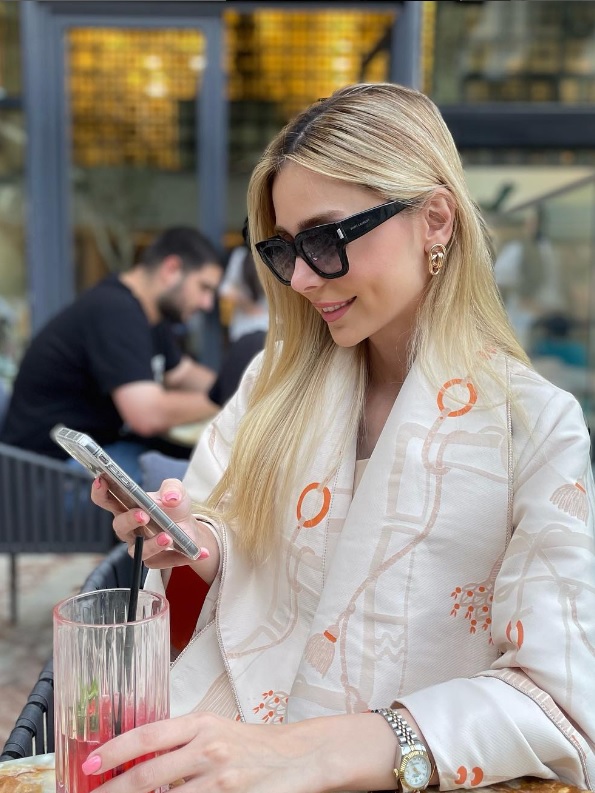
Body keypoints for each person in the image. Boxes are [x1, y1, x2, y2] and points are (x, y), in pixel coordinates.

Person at [89, 83, 595, 793]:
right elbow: (230, 539)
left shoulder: (532, 425)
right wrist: (194, 542)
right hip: (210, 739)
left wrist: (315, 752)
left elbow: (561, 703)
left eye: (326, 239)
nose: (300, 278)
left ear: (435, 220)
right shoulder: (273, 382)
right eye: (284, 248)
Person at [0, 226, 223, 482]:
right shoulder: (115, 311)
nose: (207, 303)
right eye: (204, 288)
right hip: (48, 474)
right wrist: (221, 399)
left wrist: (239, 387)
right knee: (198, 480)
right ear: (171, 269)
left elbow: (182, 373)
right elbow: (146, 416)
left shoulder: (149, 315)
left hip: (92, 452)